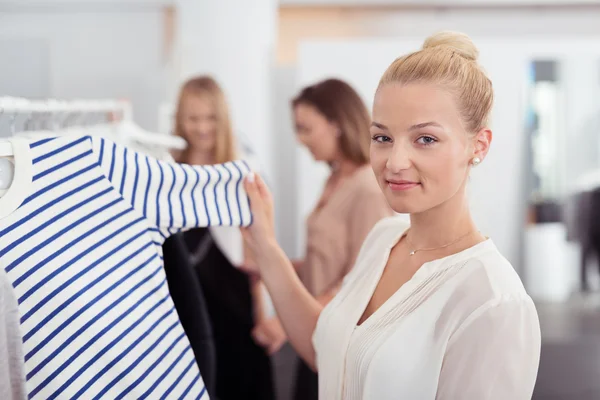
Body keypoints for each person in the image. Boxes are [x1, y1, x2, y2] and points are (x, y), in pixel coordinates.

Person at [241, 32, 541, 400]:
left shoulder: (494, 300)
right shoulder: (384, 239)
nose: (395, 163)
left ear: (478, 146)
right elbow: (327, 355)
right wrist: (265, 244)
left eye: (425, 139)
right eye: (382, 138)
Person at [250, 78, 394, 400]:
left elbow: (364, 278)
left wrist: (286, 321)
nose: (301, 140)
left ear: (336, 124)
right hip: (316, 333)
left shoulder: (367, 189)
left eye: (306, 128)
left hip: (339, 339)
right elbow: (327, 260)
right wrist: (278, 266)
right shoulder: (334, 179)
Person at [170, 76, 275, 400]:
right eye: (193, 118)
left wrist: (265, 311)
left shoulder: (242, 171)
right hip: (189, 294)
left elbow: (259, 250)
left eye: (210, 118)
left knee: (241, 381)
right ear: (180, 120)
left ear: (223, 118)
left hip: (235, 296)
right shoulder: (171, 169)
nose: (202, 128)